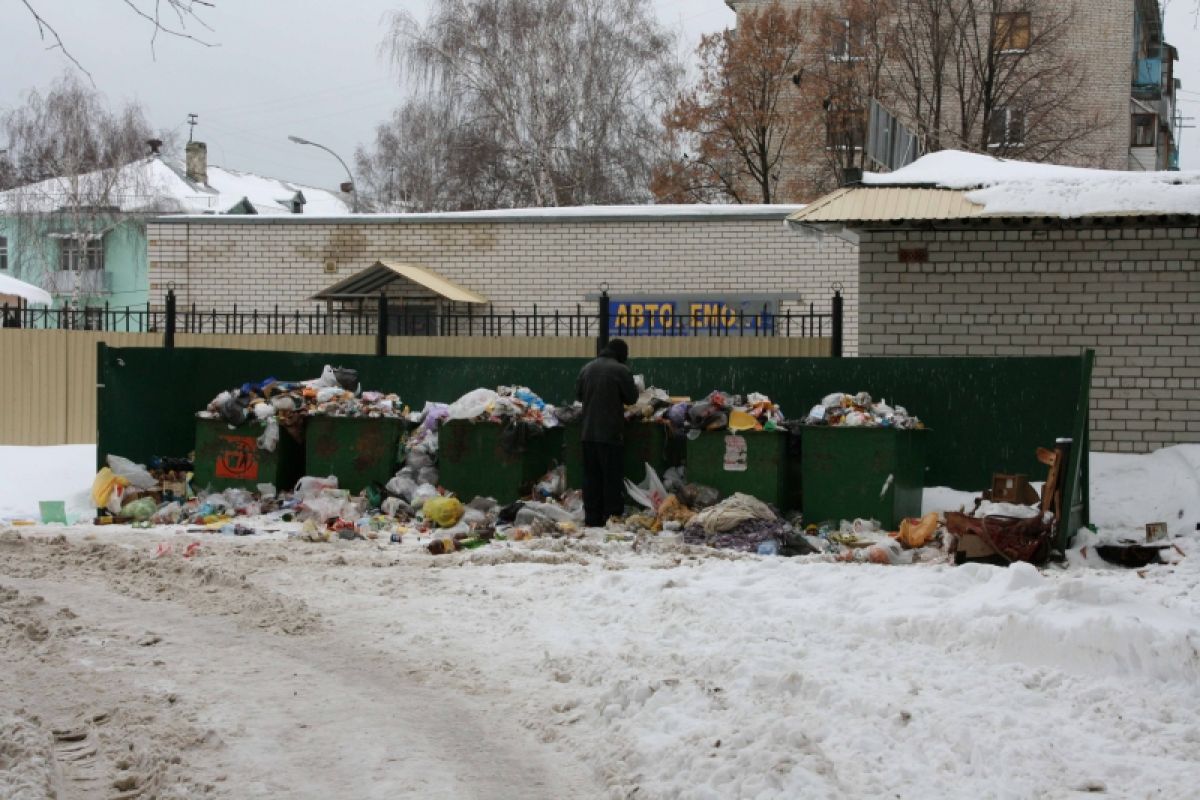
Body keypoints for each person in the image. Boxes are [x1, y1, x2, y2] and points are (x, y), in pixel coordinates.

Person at [576, 338, 639, 527]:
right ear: (621, 354)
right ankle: (611, 517)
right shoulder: (621, 370)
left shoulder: (586, 369)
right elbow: (632, 398)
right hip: (611, 433)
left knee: (591, 478)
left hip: (588, 433)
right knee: (611, 478)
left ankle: (592, 518)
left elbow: (579, 395)